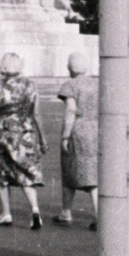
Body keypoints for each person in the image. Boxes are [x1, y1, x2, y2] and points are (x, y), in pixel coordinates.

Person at [0, 52, 46, 229]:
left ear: (3, 66)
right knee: (26, 174)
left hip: (3, 133)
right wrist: (42, 138)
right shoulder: (31, 85)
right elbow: (37, 114)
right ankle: (35, 210)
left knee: (3, 175)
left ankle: (6, 214)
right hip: (26, 133)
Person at [54, 52, 98, 227]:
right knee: (93, 171)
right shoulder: (97, 84)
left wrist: (65, 135)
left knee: (69, 169)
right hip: (96, 130)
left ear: (70, 68)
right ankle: (97, 214)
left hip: (78, 130)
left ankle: (67, 211)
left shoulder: (69, 85)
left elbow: (71, 111)